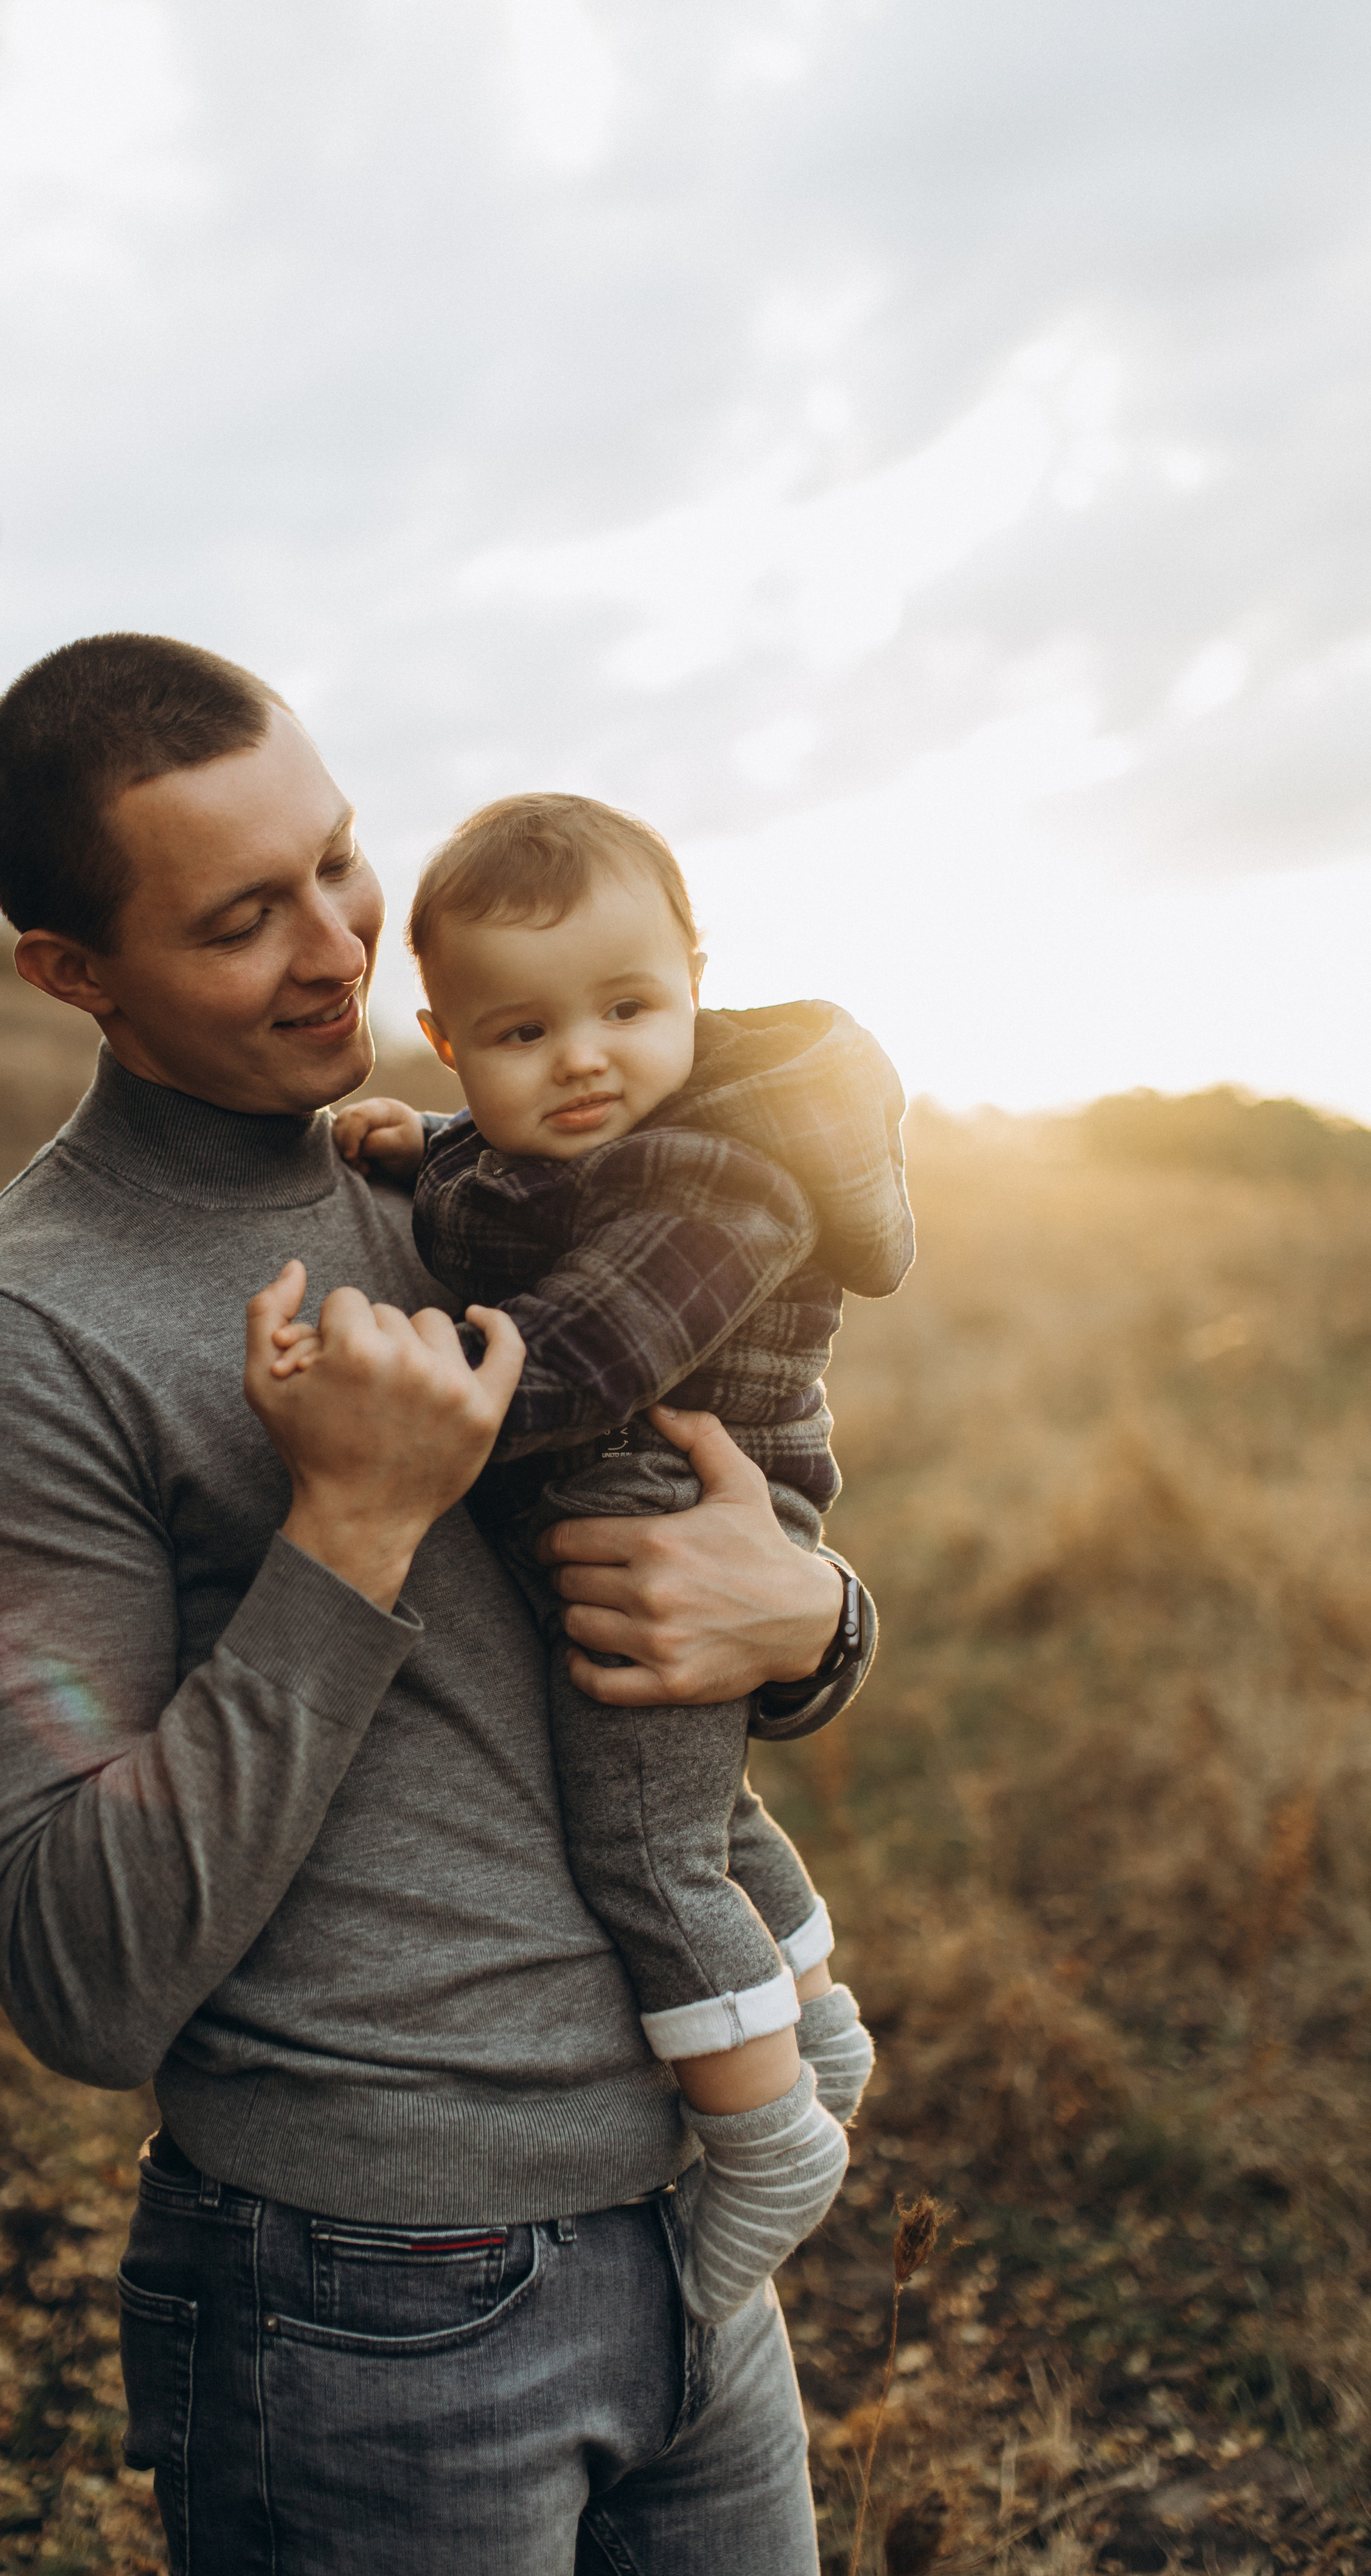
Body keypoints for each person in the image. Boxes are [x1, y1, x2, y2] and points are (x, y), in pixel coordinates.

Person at [0, 633, 885, 2576]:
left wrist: (816, 1623)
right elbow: (78, 1969)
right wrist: (345, 1530)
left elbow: (684, 1577)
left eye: (337, 862)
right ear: (71, 970)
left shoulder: (481, 1180)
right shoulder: (9, 1345)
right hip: (367, 2296)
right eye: (244, 918)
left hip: (690, 2228)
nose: (337, 948)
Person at [283, 792, 911, 2331]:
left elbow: (567, 1356)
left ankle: (764, 2147)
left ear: (694, 976)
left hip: (660, 1518)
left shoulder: (725, 1180)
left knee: (645, 1854)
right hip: (646, 1522)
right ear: (445, 1034)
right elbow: (530, 1187)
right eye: (518, 1035)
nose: (581, 1060)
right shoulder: (607, 1129)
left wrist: (389, 1377)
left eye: (628, 1009)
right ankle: (812, 2035)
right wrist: (423, 1145)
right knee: (703, 1813)